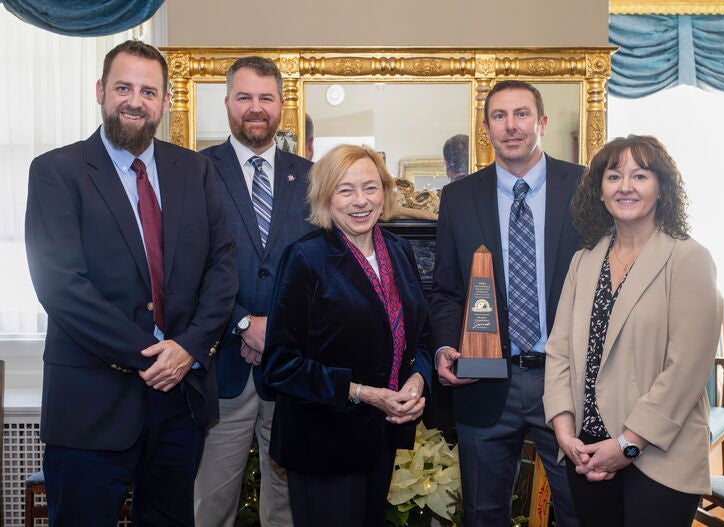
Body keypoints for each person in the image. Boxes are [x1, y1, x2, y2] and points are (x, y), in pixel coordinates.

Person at [24, 40, 238, 526]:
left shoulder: (195, 170)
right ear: (101, 91)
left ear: (165, 101)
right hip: (91, 405)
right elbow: (60, 286)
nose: (135, 100)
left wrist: (188, 348)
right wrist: (153, 355)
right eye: (123, 87)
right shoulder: (57, 172)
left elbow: (223, 267)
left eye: (148, 90)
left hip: (181, 401)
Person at [543, 135, 723, 527]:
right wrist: (563, 431)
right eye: (613, 176)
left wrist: (627, 445)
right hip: (586, 452)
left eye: (639, 175)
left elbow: (686, 370)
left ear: (661, 188)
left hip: (659, 456)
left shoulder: (688, 259)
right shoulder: (584, 260)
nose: (625, 186)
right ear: (600, 191)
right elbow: (559, 352)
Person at [431, 79, 581, 526]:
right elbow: (446, 290)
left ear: (542, 123)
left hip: (564, 380)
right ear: (486, 128)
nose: (511, 126)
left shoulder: (584, 186)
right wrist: (443, 348)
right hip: (485, 379)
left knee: (578, 511)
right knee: (483, 513)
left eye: (521, 114)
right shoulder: (458, 198)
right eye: (499, 116)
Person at [261, 144, 432, 527]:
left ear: (385, 193)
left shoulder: (400, 250)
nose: (360, 201)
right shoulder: (305, 257)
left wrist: (418, 381)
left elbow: (421, 336)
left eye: (370, 188)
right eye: (345, 189)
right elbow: (279, 365)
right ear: (326, 197)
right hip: (322, 442)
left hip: (381, 440)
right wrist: (362, 393)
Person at [194, 56, 314, 527]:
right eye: (244, 97)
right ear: (227, 103)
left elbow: (321, 273)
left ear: (282, 105)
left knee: (286, 505)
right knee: (210, 505)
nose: (255, 108)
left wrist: (278, 331)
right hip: (220, 365)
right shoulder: (195, 172)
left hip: (289, 370)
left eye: (266, 97)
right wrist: (244, 322)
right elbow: (191, 271)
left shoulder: (311, 177)